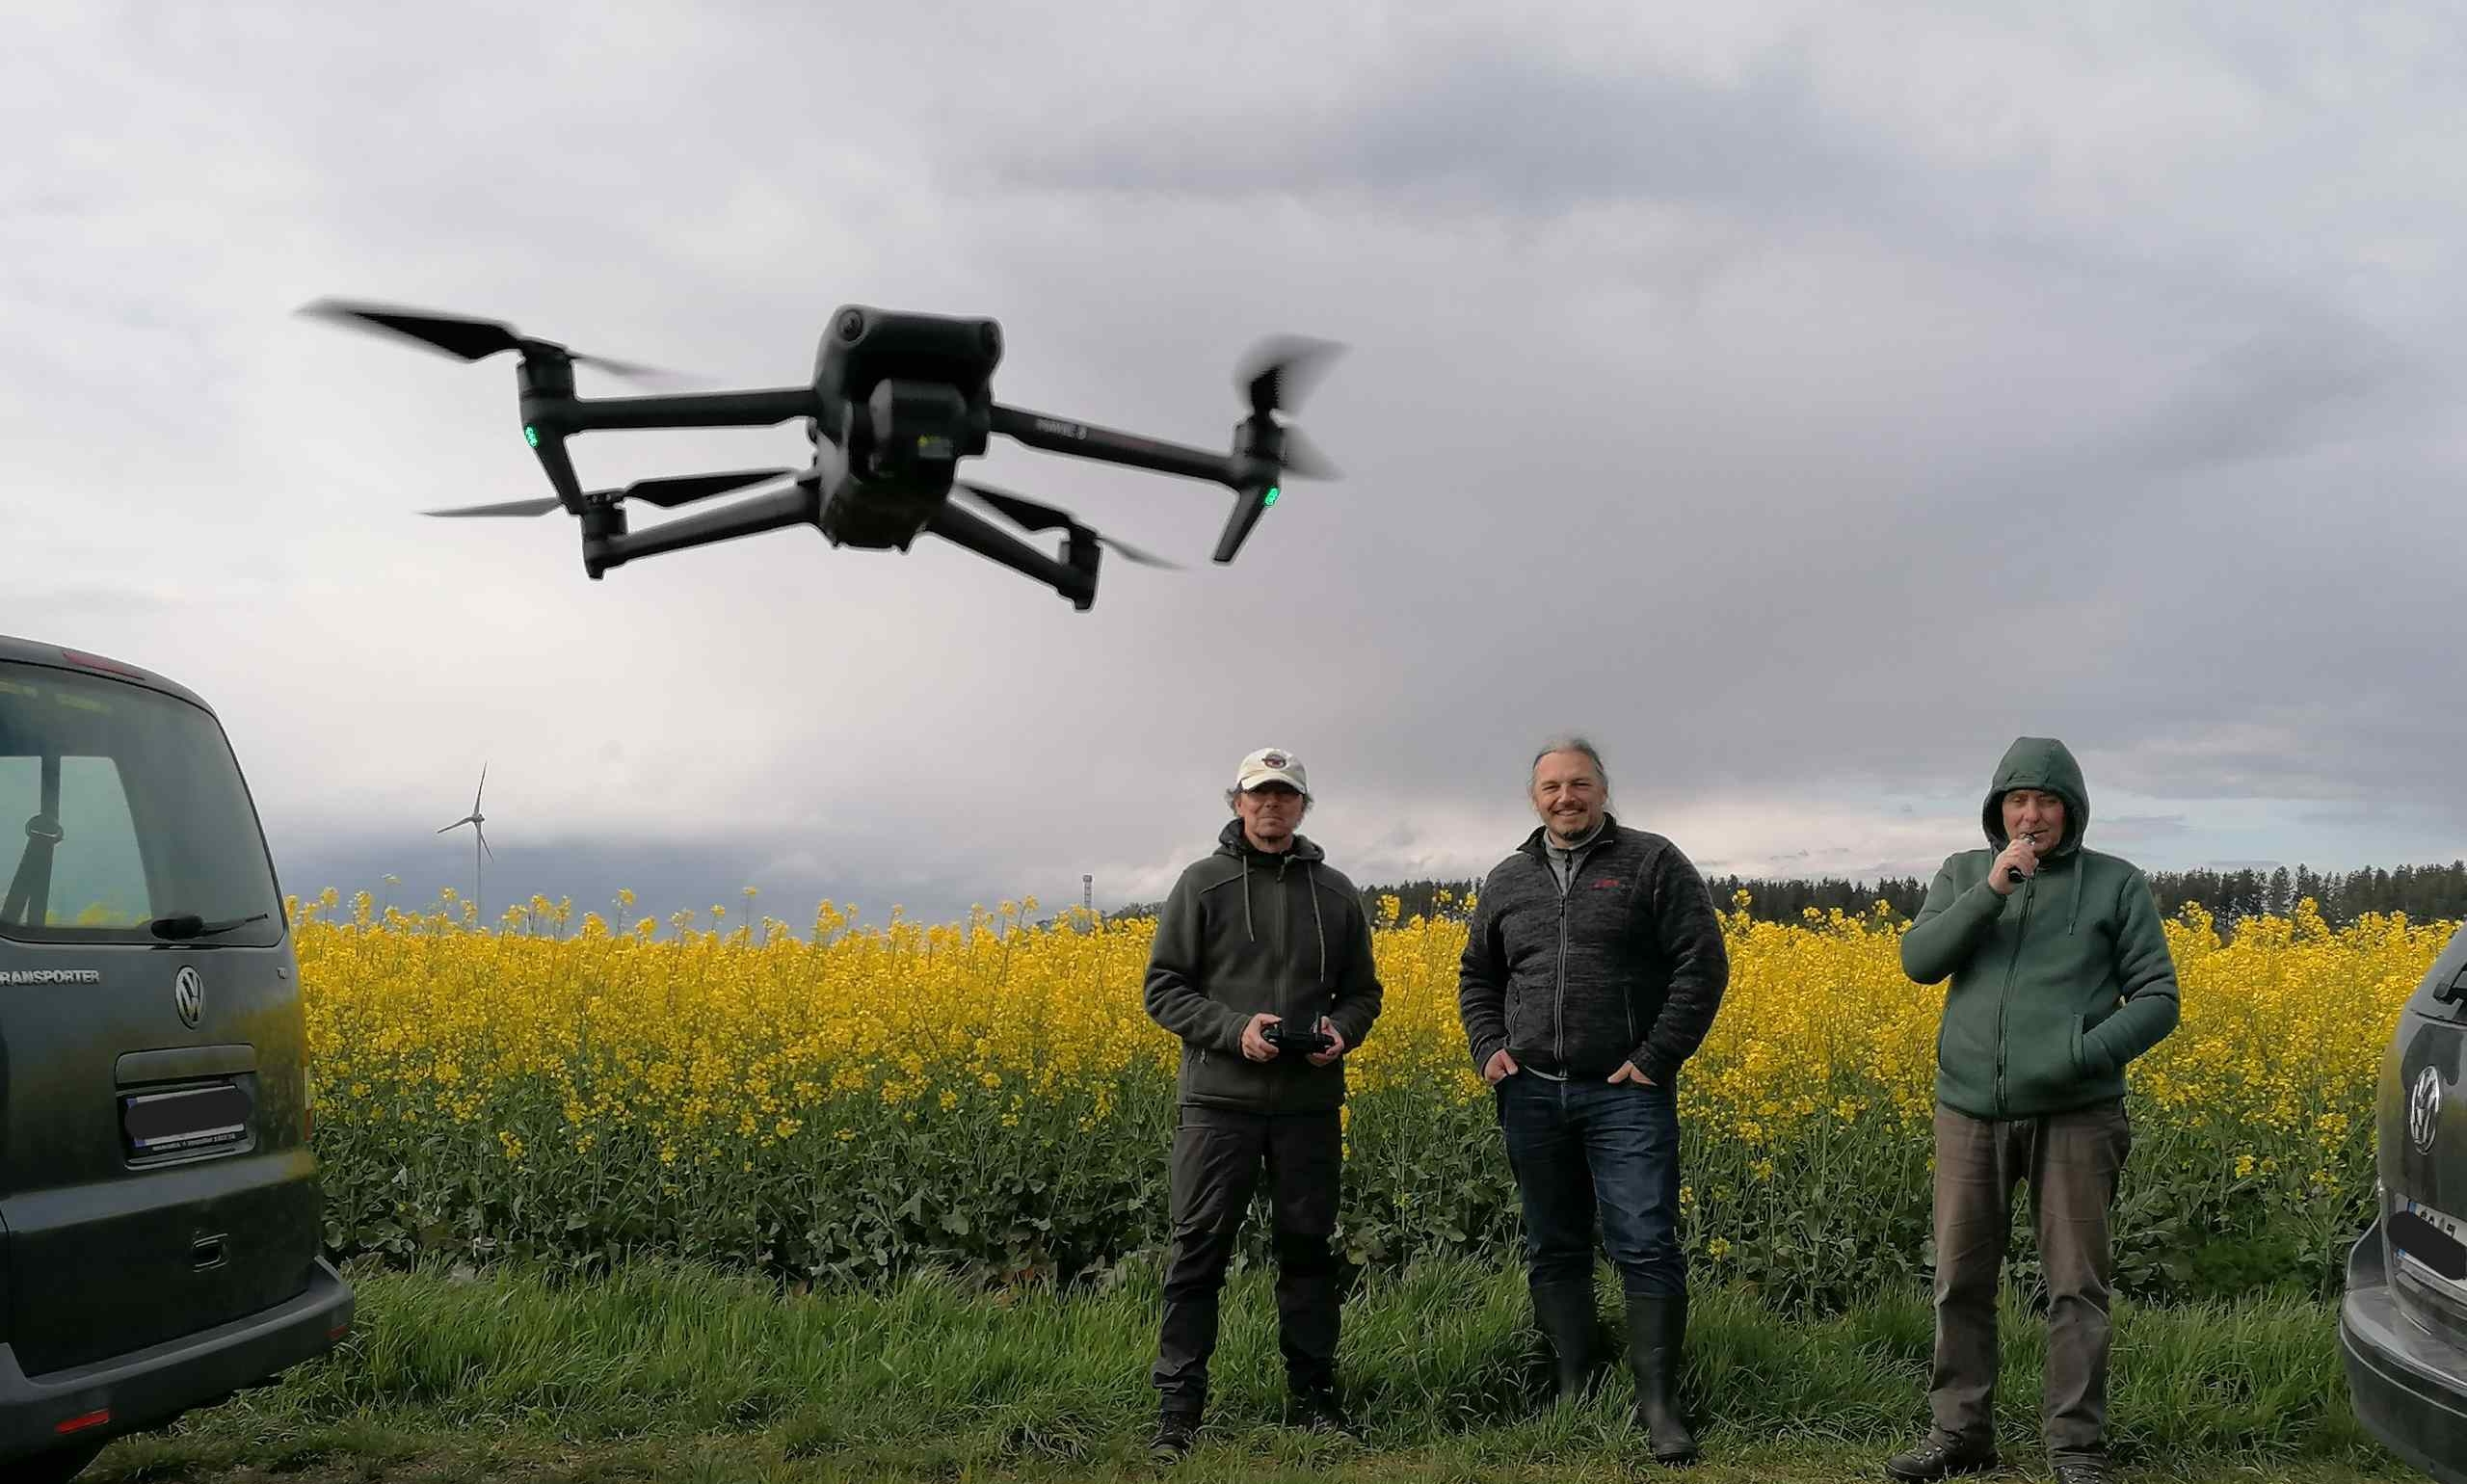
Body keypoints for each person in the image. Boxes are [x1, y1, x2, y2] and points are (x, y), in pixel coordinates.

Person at [1882, 737, 2181, 1484]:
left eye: (2046, 801)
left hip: (2078, 1115)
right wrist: (1991, 891)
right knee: (1960, 1279)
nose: (2032, 814)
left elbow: (2158, 999)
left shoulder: (2116, 885)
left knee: (2076, 1286)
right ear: (1997, 809)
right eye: (2017, 800)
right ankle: (1960, 1436)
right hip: (1969, 1112)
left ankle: (2076, 1449)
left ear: (2071, 810)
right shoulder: (1963, 873)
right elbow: (1920, 963)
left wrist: (2081, 1055)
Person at [1456, 735, 1729, 1467]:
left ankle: (1660, 1404)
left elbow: (1701, 966)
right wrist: (1490, 1051)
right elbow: (1477, 976)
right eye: (1551, 787)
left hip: (1625, 1095)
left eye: (1579, 784)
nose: (1565, 798)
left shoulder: (1652, 861)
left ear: (1602, 791)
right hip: (1532, 1094)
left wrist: (1654, 1058)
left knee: (1644, 1239)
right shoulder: (1508, 878)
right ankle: (1577, 1382)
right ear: (1534, 798)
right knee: (1554, 1241)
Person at [1139, 746, 1386, 1461]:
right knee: (1198, 1252)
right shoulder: (1203, 885)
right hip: (1219, 1103)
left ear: (1303, 806)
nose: (1272, 806)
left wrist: (1341, 1030)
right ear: (1237, 803)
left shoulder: (1336, 893)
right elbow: (1164, 988)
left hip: (1308, 1104)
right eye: (1259, 795)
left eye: (1286, 795)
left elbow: (1364, 992)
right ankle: (1178, 1411)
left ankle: (1314, 1400)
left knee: (1308, 1252)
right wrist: (1232, 1030)